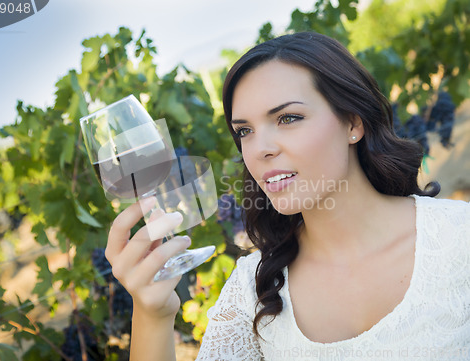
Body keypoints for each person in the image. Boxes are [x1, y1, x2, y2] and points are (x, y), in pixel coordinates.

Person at [104, 32, 470, 360]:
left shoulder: (460, 237)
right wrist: (153, 315)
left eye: (288, 118)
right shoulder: (253, 292)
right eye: (244, 130)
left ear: (353, 123)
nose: (259, 149)